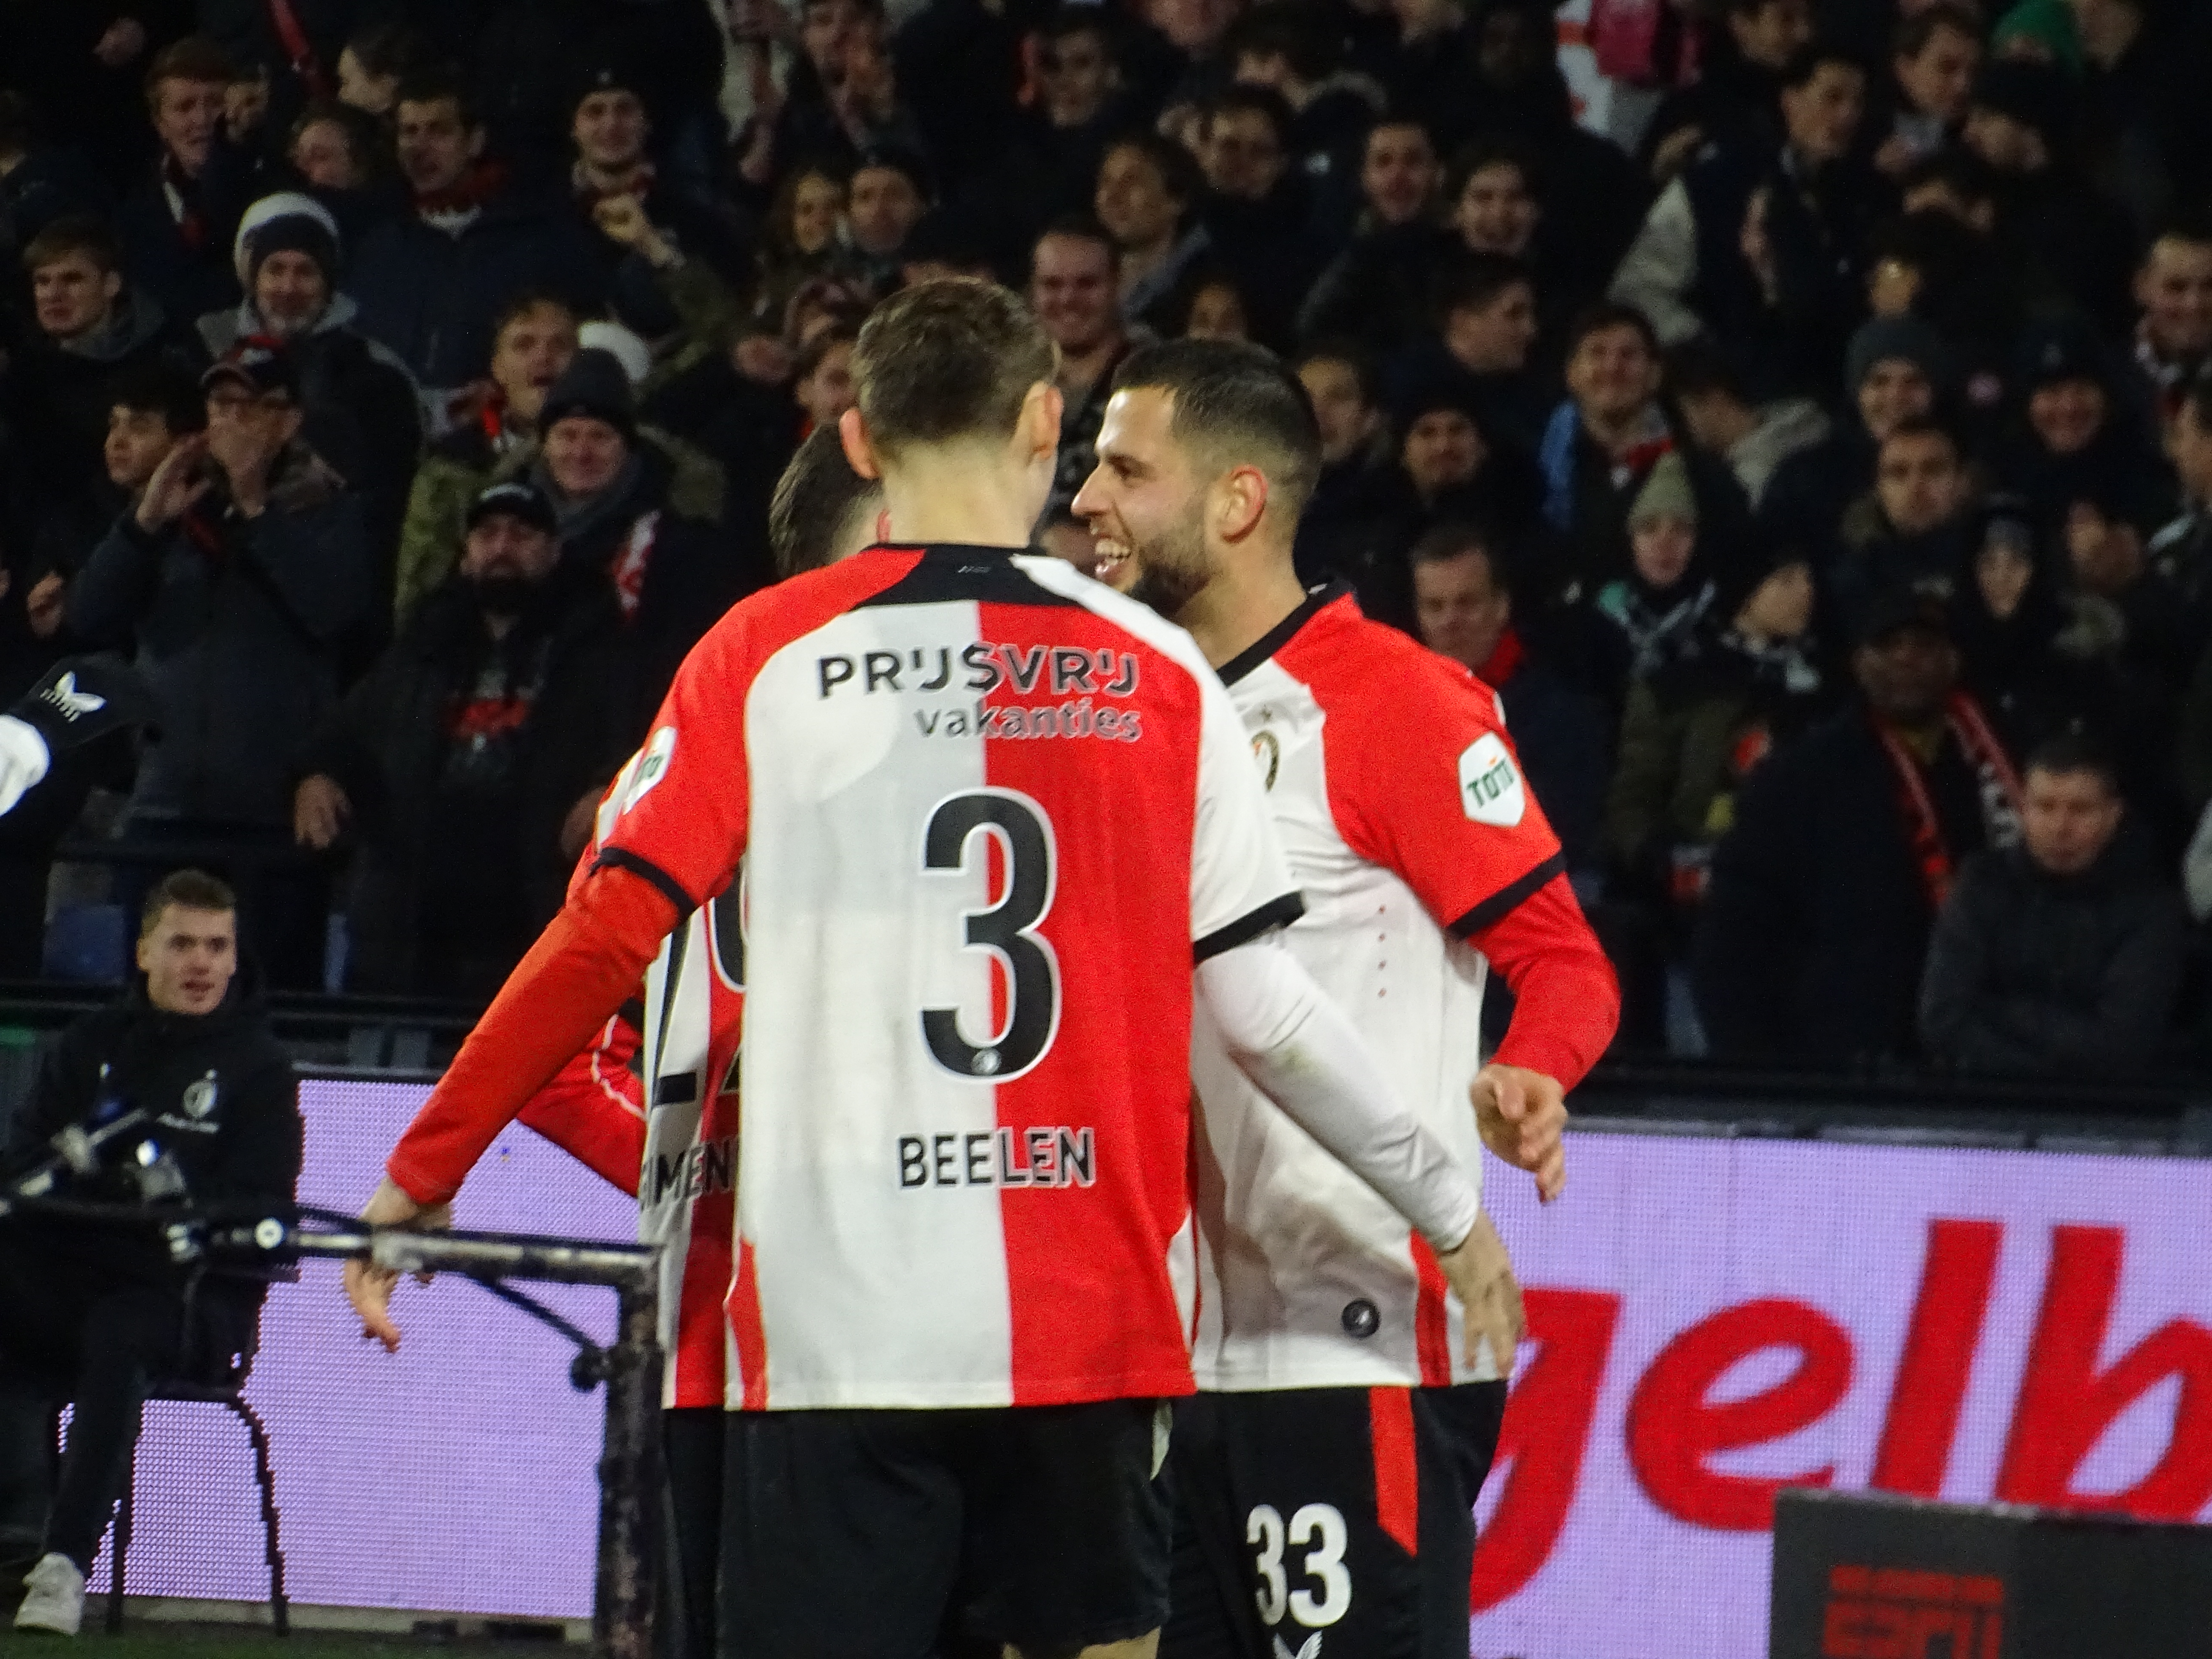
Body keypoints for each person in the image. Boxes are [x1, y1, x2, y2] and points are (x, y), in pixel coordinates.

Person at [344, 279, 1510, 1659]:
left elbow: (602, 933)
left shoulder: (764, 654)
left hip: (842, 1315)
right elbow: (1263, 1008)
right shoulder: (1160, 667)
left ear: (857, 440)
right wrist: (1446, 1203)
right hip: (1092, 1318)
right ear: (1041, 421)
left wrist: (424, 1167)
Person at [1073, 336, 1616, 1659]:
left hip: (1354, 1347)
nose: (1087, 500)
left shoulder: (1393, 706)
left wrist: (1532, 1067)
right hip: (1178, 1357)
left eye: (1125, 470)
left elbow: (1565, 959)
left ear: (1237, 502)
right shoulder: (1128, 711)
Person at [3, 870, 301, 1638]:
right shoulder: (90, 1043)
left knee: (121, 1327)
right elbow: (23, 1167)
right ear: (143, 951)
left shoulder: (261, 1070)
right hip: (71, 1277)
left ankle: (63, 1567)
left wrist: (143, 1182)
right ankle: (12, 1539)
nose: (200, 963)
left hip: (193, 1304)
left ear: (235, 959)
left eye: (216, 945)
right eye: (181, 944)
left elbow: (258, 1213)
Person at [64, 341, 370, 987]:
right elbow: (89, 616)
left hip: (271, 814)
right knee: (152, 1008)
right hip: (165, 805)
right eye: (219, 405)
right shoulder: (173, 510)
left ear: (287, 421)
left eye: (248, 407)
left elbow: (333, 611)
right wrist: (144, 522)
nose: (229, 423)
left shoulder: (330, 510)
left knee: (271, 1009)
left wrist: (256, 505)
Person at [291, 481, 639, 998]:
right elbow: (348, 730)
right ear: (466, 553)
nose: (502, 548)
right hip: (417, 905)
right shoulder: (423, 645)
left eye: (522, 535)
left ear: (553, 551)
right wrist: (315, 776)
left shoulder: (597, 646)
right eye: (488, 534)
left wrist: (608, 793)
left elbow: (644, 743)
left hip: (534, 899)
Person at [1695, 586, 2024, 1062]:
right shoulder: (1798, 778)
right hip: (1844, 1061)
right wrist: (1757, 1068)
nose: (1907, 660)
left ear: (1954, 661)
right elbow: (1734, 934)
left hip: (1982, 1053)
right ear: (1857, 663)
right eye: (1888, 647)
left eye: (1925, 646)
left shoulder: (2008, 764)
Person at [1920, 728, 2184, 1075]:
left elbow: (2121, 1045)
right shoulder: (1981, 885)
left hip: (2107, 1115)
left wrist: (1999, 1011)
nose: (2060, 827)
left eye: (2080, 810)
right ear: (2024, 810)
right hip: (1982, 1105)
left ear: (2114, 815)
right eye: (2045, 807)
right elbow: (1942, 1019)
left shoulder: (2152, 908)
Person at [197, 192, 424, 581]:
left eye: (305, 272)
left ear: (329, 283)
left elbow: (389, 496)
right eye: (275, 270)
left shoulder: (375, 372)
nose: (288, 288)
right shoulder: (208, 353)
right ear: (253, 279)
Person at [345, 73, 605, 407]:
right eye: (409, 132)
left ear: (475, 142)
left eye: (439, 130)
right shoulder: (380, 249)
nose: (419, 148)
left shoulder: (540, 240)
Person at [1410, 521, 1612, 881]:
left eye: (1466, 603)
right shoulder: (1397, 714)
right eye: (1434, 606)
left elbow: (1550, 844)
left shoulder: (1559, 720)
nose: (1450, 621)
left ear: (1501, 607)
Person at [114, 38, 252, 324]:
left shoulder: (269, 187)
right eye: (184, 107)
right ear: (160, 123)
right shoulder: (133, 219)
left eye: (216, 103)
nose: (202, 119)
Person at [1030, 218, 1136, 515]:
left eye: (1086, 284)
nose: (1067, 299)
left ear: (1119, 284)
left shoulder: (1151, 384)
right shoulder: (1008, 387)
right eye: (1052, 285)